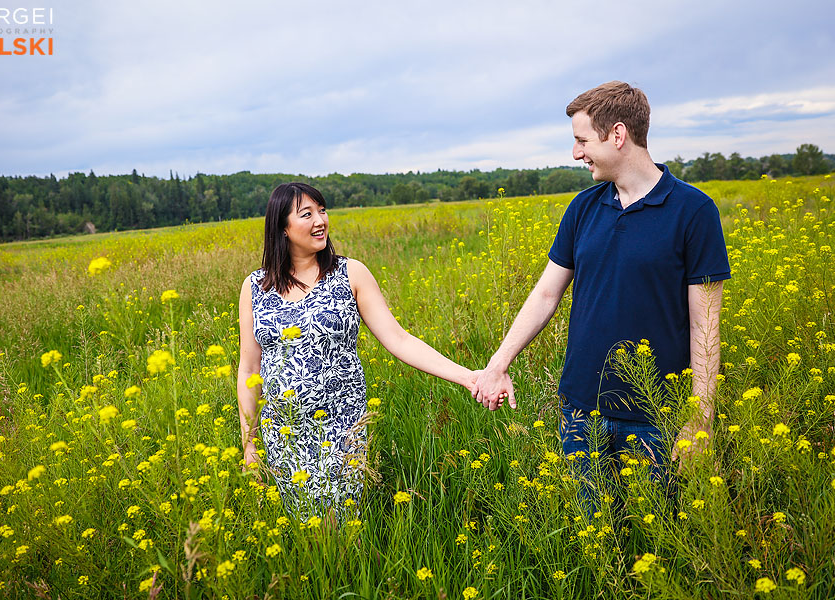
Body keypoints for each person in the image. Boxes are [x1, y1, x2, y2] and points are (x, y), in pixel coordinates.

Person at [472, 81, 730, 499]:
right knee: (594, 530)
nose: (576, 153)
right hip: (580, 411)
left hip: (656, 415)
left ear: (618, 135)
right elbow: (546, 295)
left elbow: (706, 325)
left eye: (582, 140)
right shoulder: (583, 208)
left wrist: (701, 418)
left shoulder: (694, 211)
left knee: (658, 529)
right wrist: (499, 363)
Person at [237, 182, 475, 519]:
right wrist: (249, 444)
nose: (320, 220)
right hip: (283, 434)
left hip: (341, 427)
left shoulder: (349, 273)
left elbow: (399, 339)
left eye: (322, 211)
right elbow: (249, 370)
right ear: (283, 227)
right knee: (300, 532)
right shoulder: (256, 287)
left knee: (343, 524)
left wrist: (466, 376)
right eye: (307, 214)